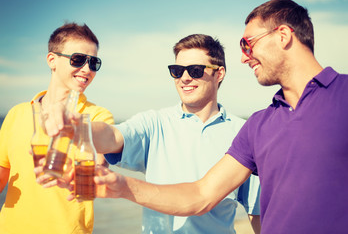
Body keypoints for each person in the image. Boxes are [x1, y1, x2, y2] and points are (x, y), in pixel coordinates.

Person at [40, 34, 262, 233]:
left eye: (195, 70)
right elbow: (111, 136)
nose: (184, 78)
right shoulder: (154, 123)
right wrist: (77, 127)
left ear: (219, 74)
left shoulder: (243, 133)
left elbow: (256, 211)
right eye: (177, 71)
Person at [0, 22, 114, 234]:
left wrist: (81, 175)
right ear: (52, 60)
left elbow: (99, 166)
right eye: (78, 59)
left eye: (94, 63)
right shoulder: (17, 113)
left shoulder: (97, 116)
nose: (87, 69)